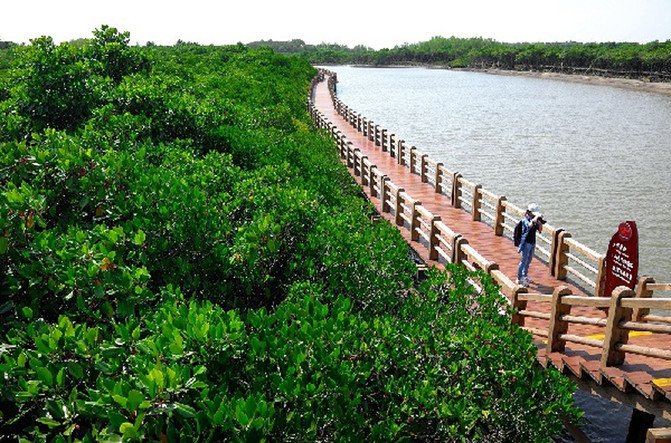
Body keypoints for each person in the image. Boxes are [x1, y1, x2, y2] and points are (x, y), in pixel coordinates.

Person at [517, 203, 544, 287]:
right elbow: (529, 226)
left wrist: (540, 223)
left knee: (529, 260)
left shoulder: (534, 220)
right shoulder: (525, 219)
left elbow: (540, 230)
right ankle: (519, 278)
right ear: (529, 212)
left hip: (532, 242)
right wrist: (534, 219)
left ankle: (525, 275)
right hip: (526, 243)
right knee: (523, 260)